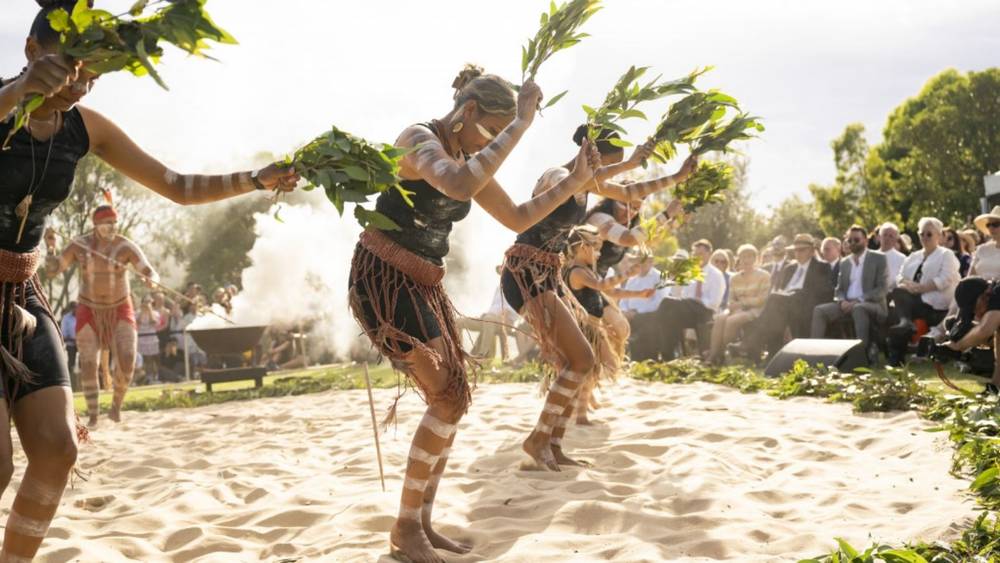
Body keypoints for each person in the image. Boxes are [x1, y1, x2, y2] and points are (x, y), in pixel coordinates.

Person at [0, 4, 298, 558]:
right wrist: (16, 92)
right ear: (30, 51)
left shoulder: (85, 128)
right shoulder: (3, 100)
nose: (79, 85)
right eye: (68, 66)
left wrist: (255, 179)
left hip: (20, 293)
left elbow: (179, 186)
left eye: (92, 73)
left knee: (58, 449)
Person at [347, 65, 604, 562]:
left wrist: (574, 180)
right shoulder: (419, 139)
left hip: (421, 282)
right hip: (383, 277)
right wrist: (521, 124)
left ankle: (420, 522)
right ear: (466, 112)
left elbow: (518, 217)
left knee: (453, 399)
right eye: (489, 130)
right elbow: (459, 185)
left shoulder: (466, 156)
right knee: (445, 398)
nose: (491, 142)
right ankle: (405, 530)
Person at [501, 123, 695, 474]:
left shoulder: (587, 183)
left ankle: (553, 444)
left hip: (547, 276)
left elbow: (632, 190)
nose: (606, 174)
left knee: (576, 361)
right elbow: (574, 187)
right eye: (607, 162)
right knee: (579, 359)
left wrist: (676, 178)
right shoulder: (557, 176)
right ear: (589, 154)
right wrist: (628, 164)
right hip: (525, 274)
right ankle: (538, 440)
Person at [46, 203, 156, 424]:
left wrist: (152, 279)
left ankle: (116, 406)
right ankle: (94, 414)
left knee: (127, 358)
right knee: (87, 363)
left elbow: (147, 268)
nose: (112, 227)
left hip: (120, 307)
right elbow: (53, 270)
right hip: (89, 308)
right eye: (107, 223)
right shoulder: (80, 244)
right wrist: (50, 249)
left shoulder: (125, 246)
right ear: (96, 225)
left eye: (114, 222)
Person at [563, 226, 653, 425]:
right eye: (595, 247)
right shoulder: (577, 272)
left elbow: (609, 293)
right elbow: (603, 286)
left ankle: (582, 402)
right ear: (582, 248)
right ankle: (580, 414)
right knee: (595, 368)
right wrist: (628, 273)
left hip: (593, 328)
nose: (599, 252)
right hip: (584, 328)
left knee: (605, 366)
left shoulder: (586, 271)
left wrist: (638, 294)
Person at [744, 234, 834, 363]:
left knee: (774, 301)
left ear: (811, 251)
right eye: (795, 250)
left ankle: (752, 342)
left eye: (801, 250)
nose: (797, 253)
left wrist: (796, 294)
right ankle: (770, 354)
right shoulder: (789, 268)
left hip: (804, 304)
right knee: (775, 306)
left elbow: (822, 292)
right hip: (785, 304)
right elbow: (781, 289)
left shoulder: (821, 267)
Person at [811, 226, 889, 364]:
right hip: (847, 304)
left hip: (873, 305)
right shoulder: (845, 262)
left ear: (865, 240)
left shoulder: (878, 258)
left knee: (859, 308)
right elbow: (839, 289)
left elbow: (882, 289)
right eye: (849, 240)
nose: (852, 243)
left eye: (856, 240)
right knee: (819, 310)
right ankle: (815, 355)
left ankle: (861, 356)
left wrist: (858, 300)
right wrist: (841, 301)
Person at [888, 217, 961, 366]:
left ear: (939, 236)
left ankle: (897, 355)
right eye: (922, 234)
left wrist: (921, 288)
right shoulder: (914, 256)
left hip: (935, 302)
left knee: (899, 310)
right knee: (897, 294)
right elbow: (900, 277)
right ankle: (903, 331)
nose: (924, 237)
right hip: (913, 300)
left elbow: (946, 278)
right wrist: (909, 285)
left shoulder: (946, 255)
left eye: (929, 234)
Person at [651, 239, 726, 360]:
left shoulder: (715, 274)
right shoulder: (690, 273)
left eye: (700, 254)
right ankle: (667, 354)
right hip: (689, 311)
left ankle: (663, 349)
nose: (697, 257)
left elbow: (715, 302)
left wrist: (699, 301)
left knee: (667, 304)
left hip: (705, 311)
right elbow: (681, 295)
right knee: (668, 313)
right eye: (695, 254)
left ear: (709, 254)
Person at [707, 244, 769, 365]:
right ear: (739, 259)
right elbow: (731, 299)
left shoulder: (764, 276)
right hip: (737, 309)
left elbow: (762, 299)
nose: (746, 260)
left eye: (750, 257)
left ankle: (723, 353)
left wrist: (742, 304)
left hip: (755, 310)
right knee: (720, 318)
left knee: (731, 321)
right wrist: (733, 306)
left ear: (755, 259)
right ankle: (713, 355)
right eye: (743, 257)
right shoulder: (734, 278)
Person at [945, 276, 1000, 393]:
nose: (976, 314)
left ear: (985, 295)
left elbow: (985, 329)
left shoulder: (997, 293)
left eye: (975, 308)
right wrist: (994, 386)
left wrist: (958, 346)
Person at [136, 295, 161, 385]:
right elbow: (137, 323)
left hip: (151, 338)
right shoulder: (138, 313)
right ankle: (143, 377)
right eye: (145, 302)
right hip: (141, 338)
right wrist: (142, 312)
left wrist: (149, 311)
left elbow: (154, 323)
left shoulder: (156, 313)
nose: (147, 304)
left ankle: (153, 376)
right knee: (143, 359)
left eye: (149, 302)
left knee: (152, 358)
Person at [972, 206, 1000, 280]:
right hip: (978, 290)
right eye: (988, 225)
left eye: (995, 224)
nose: (991, 228)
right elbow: (970, 276)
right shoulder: (982, 249)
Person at [878, 222, 907, 289]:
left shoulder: (902, 258)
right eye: (885, 235)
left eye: (891, 236)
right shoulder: (870, 256)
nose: (887, 238)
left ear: (895, 240)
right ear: (879, 237)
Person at [59, 301, 77, 389]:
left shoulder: (82, 317)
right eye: (74, 307)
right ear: (71, 308)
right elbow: (64, 335)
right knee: (71, 364)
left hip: (82, 343)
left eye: (77, 307)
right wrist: (73, 340)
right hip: (71, 344)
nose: (76, 309)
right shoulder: (66, 318)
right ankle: (70, 385)